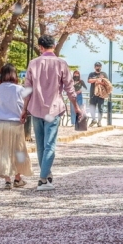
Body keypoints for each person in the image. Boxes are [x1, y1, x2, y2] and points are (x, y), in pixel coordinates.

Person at [21, 35, 84, 191]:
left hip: (36, 108)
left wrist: (24, 109)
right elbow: (70, 88)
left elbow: (27, 89)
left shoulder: (33, 64)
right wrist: (76, 107)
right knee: (50, 145)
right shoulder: (61, 63)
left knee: (41, 145)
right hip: (54, 109)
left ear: (40, 47)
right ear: (54, 46)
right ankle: (43, 179)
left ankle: (46, 176)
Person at [0, 64, 32, 190]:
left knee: (2, 150)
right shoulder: (19, 89)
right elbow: (23, 105)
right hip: (15, 123)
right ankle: (17, 178)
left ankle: (7, 180)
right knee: (18, 151)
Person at [87, 62, 112, 127]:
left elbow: (107, 83)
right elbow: (89, 80)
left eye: (99, 66)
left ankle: (99, 121)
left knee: (100, 108)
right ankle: (93, 120)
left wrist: (100, 82)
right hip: (93, 94)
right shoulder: (91, 74)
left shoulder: (104, 74)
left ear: (101, 67)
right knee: (92, 108)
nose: (98, 67)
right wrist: (96, 79)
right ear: (94, 67)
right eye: (97, 66)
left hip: (101, 94)